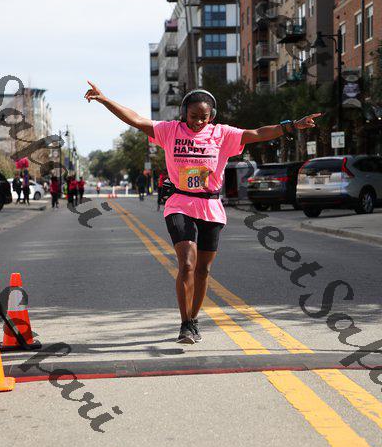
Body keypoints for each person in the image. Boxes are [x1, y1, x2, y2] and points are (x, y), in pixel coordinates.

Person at [84, 80, 321, 344]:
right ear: (184, 113)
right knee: (187, 263)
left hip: (210, 206)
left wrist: (291, 125)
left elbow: (256, 133)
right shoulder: (169, 131)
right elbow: (136, 120)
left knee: (203, 271)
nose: (198, 122)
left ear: (212, 116)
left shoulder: (222, 134)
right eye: (193, 116)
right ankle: (185, 323)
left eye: (204, 117)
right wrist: (105, 100)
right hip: (179, 203)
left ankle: (194, 320)